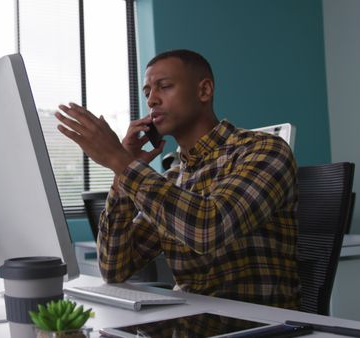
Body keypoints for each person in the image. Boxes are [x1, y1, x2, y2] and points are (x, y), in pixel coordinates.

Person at [54, 49, 300, 309]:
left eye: (164, 86)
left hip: (257, 324)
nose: (151, 101)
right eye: (147, 92)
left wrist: (121, 162)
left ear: (204, 91)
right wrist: (122, 175)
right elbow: (115, 268)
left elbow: (208, 228)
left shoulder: (265, 150)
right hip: (189, 321)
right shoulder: (172, 178)